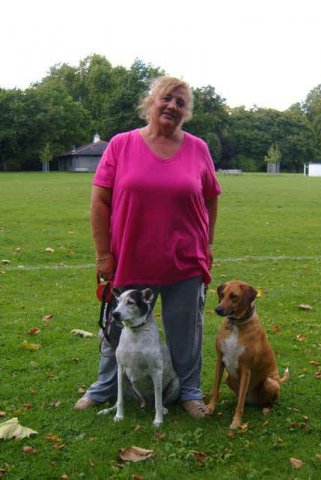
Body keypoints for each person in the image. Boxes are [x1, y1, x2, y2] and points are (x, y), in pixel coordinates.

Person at [74, 76, 221, 418]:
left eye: (180, 102)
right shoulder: (121, 145)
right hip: (131, 256)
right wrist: (103, 254)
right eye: (166, 98)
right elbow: (100, 202)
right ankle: (104, 387)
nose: (172, 106)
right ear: (150, 102)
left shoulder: (198, 148)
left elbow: (211, 198)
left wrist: (208, 243)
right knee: (117, 326)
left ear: (186, 113)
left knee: (187, 331)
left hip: (184, 258)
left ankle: (189, 392)